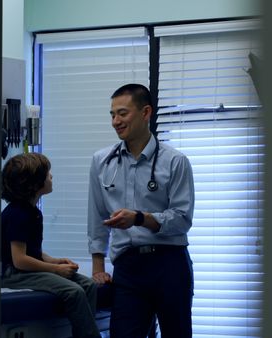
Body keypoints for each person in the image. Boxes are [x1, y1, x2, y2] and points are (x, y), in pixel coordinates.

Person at [87, 84, 195, 338]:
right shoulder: (102, 161)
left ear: (145, 113)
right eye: (112, 115)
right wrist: (97, 264)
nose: (115, 121)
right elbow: (96, 214)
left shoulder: (175, 161)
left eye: (122, 113)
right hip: (128, 267)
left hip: (170, 263)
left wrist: (139, 218)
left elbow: (182, 219)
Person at [1, 153, 101, 338]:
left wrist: (55, 262)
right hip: (12, 273)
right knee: (74, 291)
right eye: (48, 174)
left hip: (21, 269)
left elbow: (31, 251)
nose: (52, 177)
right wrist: (55, 270)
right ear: (34, 183)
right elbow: (19, 260)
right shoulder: (18, 214)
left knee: (88, 285)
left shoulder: (31, 212)